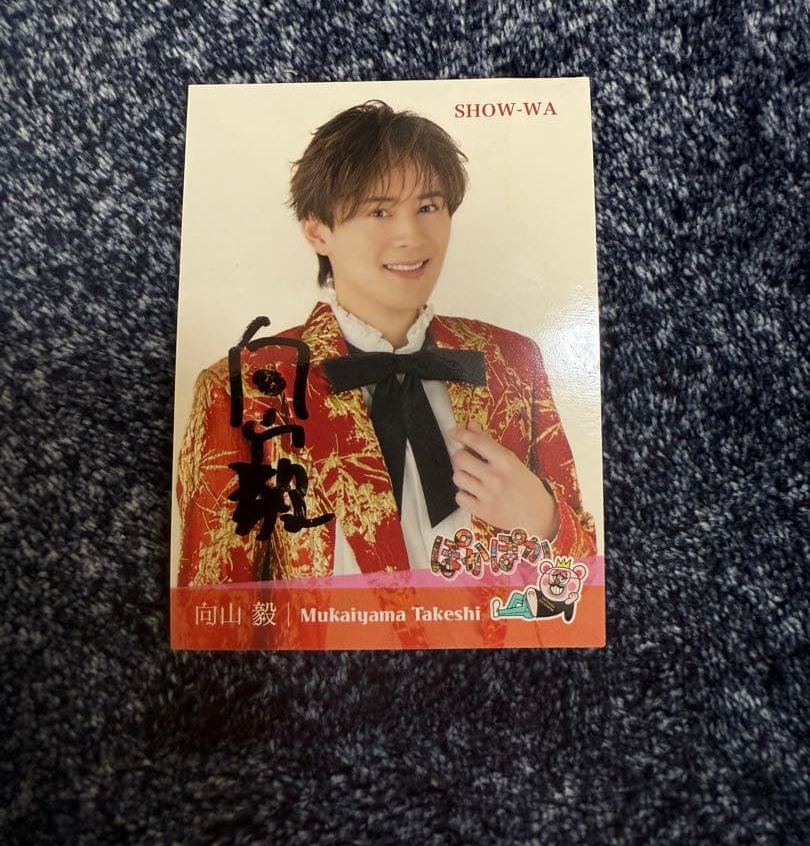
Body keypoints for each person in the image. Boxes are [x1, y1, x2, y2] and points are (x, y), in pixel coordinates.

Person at [176, 101, 596, 587]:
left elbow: (584, 592)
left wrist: (545, 521)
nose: (410, 236)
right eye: (379, 211)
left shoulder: (512, 361)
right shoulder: (246, 387)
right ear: (317, 230)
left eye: (428, 207)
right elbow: (214, 605)